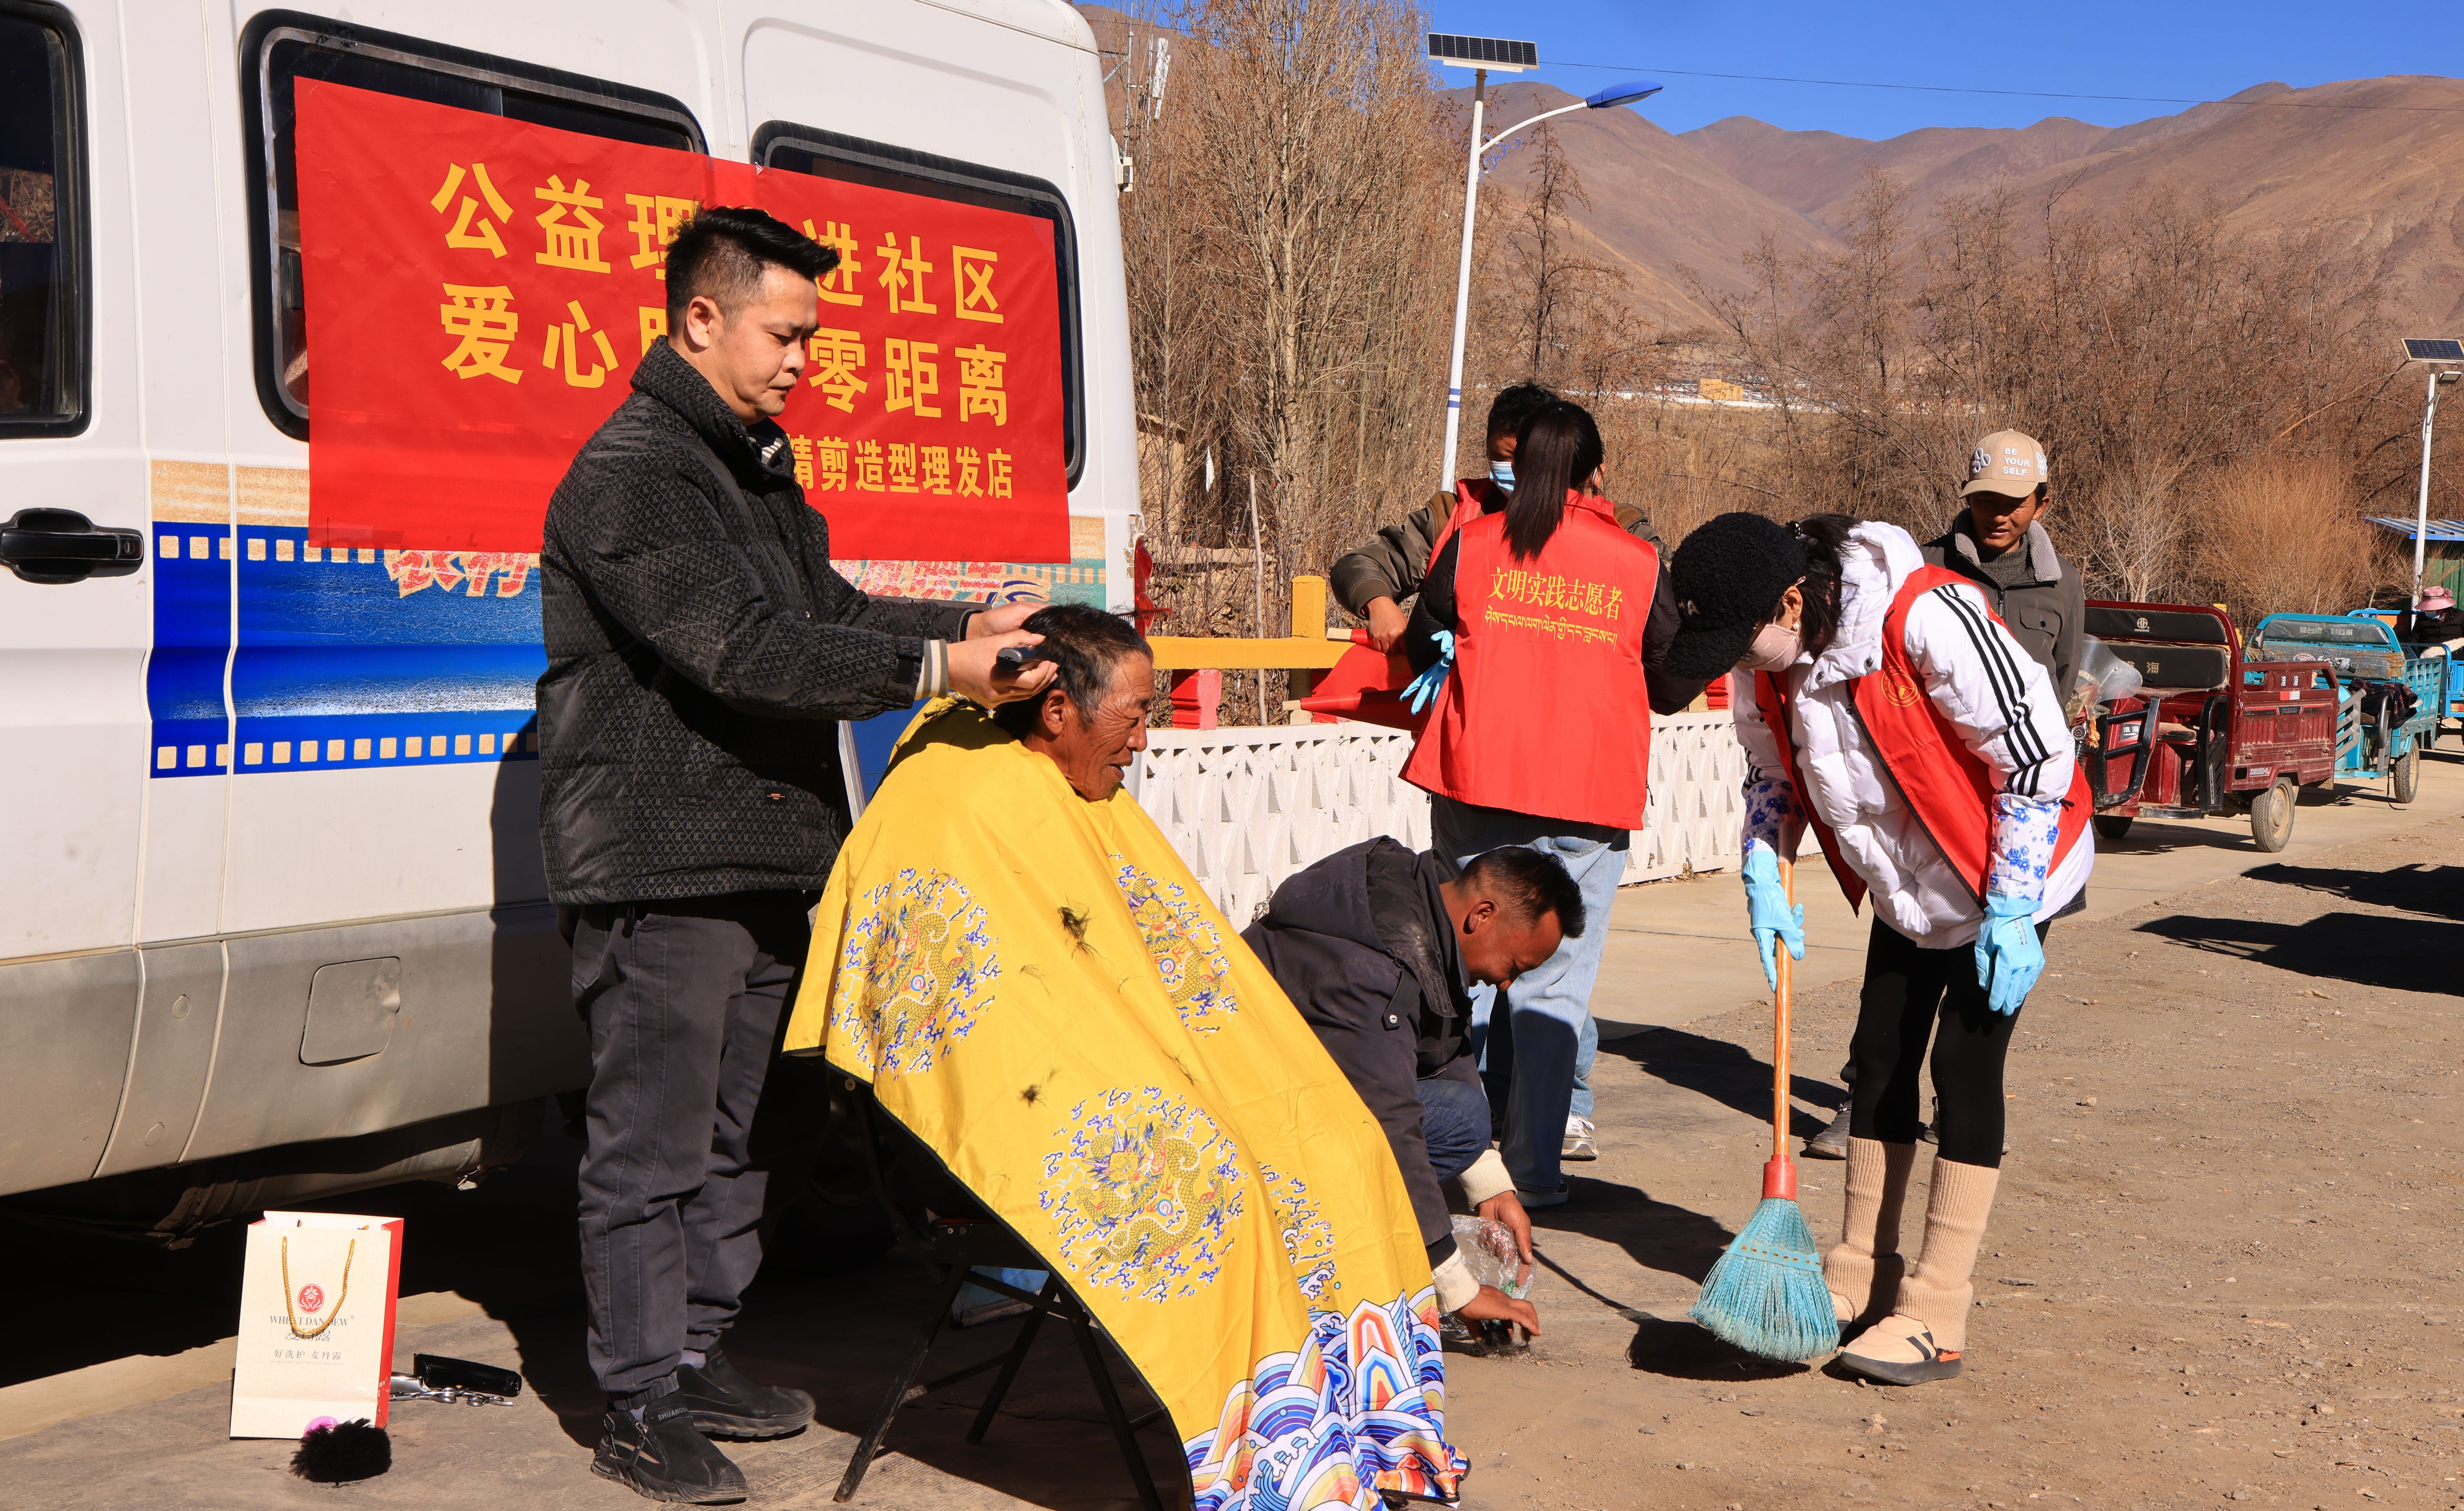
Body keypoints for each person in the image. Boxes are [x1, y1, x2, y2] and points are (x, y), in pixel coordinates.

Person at [536, 205, 1056, 1503]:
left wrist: (967, 622)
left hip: (762, 851)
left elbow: (827, 613)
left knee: (742, 1135)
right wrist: (941, 667)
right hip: (663, 865)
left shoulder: (752, 468)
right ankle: (638, 1403)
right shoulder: (636, 471)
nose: (801, 361)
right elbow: (741, 649)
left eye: (810, 337)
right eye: (784, 334)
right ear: (700, 318)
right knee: (651, 1148)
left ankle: (695, 1352)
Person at [781, 604, 1468, 1508]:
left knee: (1340, 1145)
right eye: (1137, 715)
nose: (1144, 741)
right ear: (1057, 709)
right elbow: (1004, 1035)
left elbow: (1168, 965)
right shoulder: (955, 799)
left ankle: (1374, 1429)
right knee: (1226, 1186)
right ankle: (1279, 1461)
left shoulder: (1077, 788)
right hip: (1002, 1124)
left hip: (1122, 1067)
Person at [1665, 511, 2095, 1387]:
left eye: (1740, 643)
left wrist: (2013, 904)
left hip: (2011, 867)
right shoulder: (1767, 663)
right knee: (1878, 1056)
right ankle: (1860, 1273)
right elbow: (1773, 771)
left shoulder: (1925, 617)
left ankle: (1936, 1308)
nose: (1738, 664)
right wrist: (1761, 860)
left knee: (1962, 1067)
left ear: (1792, 600)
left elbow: (2034, 757)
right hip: (1909, 883)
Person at [1398, 400, 1707, 1206]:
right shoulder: (1636, 562)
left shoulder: (1470, 544)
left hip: (1477, 784)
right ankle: (1533, 1173)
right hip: (1586, 798)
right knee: (1555, 987)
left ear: (1520, 465)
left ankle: (1448, 1161)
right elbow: (1667, 682)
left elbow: (1422, 636)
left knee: (1455, 969)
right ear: (1595, 472)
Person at [1803, 429, 2087, 1160]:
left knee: (1970, 1035)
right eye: (1984, 499)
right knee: (1891, 1009)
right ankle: (1864, 1106)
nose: (1998, 514)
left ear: (2041, 502)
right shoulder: (1918, 570)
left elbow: (2053, 693)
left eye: (2014, 502)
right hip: (1924, 820)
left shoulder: (2061, 584)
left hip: (2014, 823)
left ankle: (1950, 1121)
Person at [1244, 838, 1584, 1339]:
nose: (1505, 984)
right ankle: (1305, 1256)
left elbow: (1442, 1051)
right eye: (1514, 965)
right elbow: (1388, 1127)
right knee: (1447, 1124)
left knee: (1463, 1117)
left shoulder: (1416, 906)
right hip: (1244, 1128)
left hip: (1285, 1094)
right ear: (1482, 915)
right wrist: (1455, 1287)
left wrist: (1490, 1186)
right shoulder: (1372, 971)